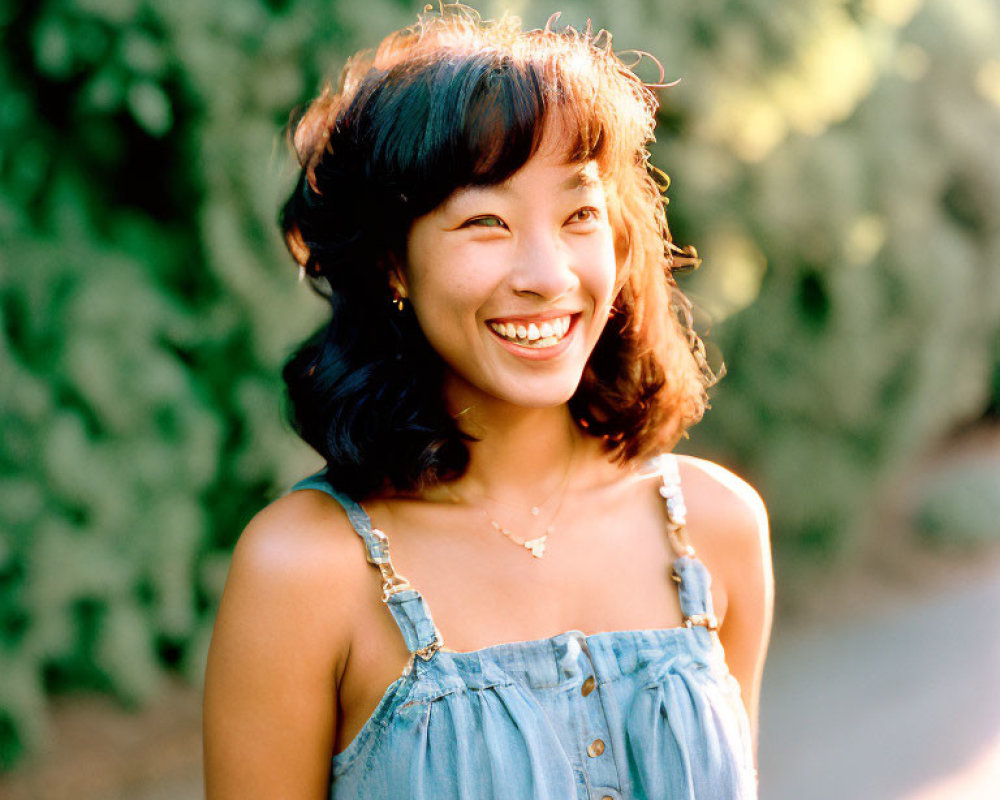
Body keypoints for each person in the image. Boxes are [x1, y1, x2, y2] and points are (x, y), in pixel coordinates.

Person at [203, 5, 773, 799]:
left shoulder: (715, 529)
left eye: (580, 214)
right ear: (391, 266)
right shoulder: (304, 572)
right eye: (485, 221)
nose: (547, 272)